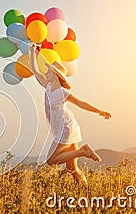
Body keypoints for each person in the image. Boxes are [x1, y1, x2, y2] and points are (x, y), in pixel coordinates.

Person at [29, 46, 111, 183]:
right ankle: (85, 191)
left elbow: (81, 103)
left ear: (56, 75)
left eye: (49, 72)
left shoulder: (62, 92)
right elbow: (35, 71)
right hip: (67, 127)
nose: (46, 73)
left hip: (66, 129)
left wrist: (99, 111)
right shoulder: (48, 86)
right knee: (72, 168)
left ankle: (83, 151)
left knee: (51, 160)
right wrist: (32, 53)